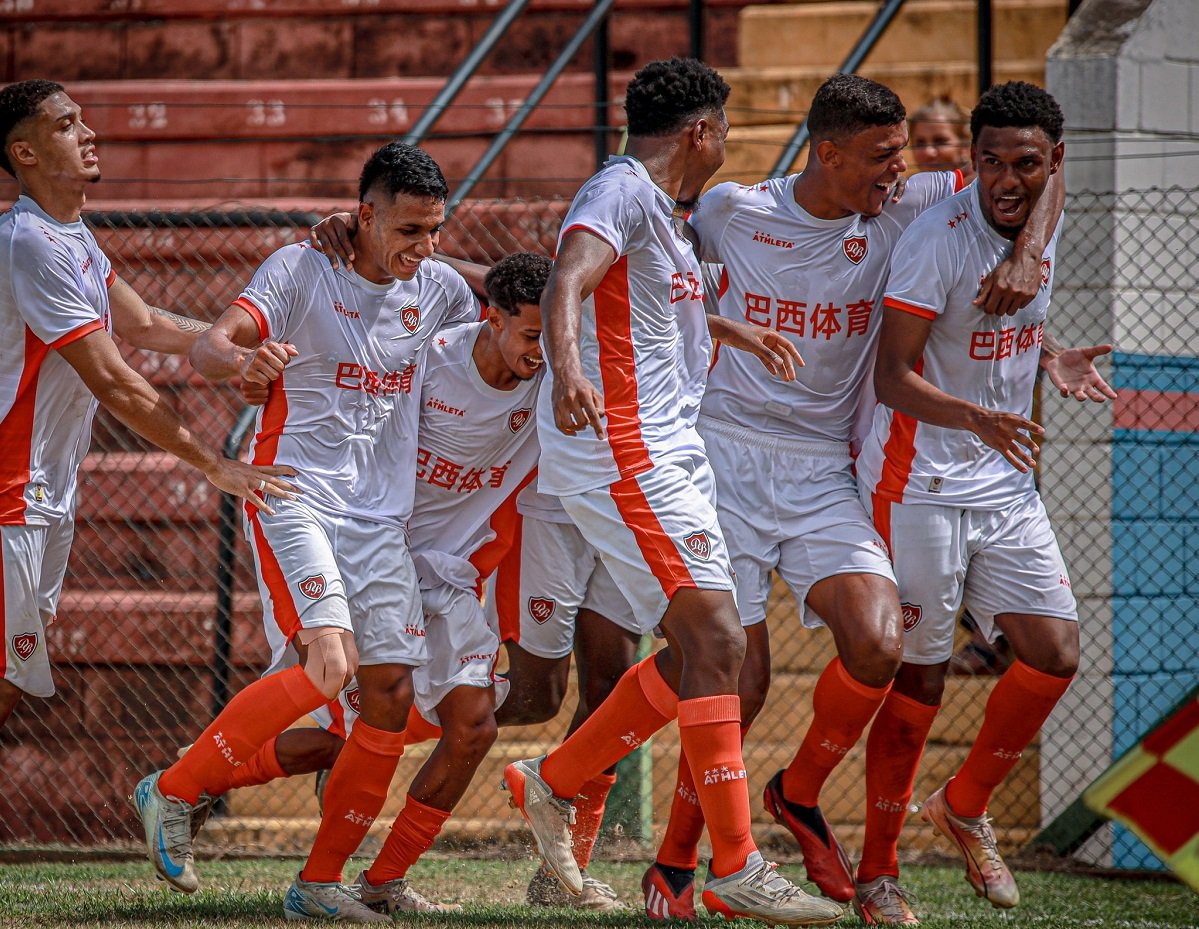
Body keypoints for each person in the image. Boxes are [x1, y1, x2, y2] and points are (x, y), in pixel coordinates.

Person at [644, 73, 1063, 926]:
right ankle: (674, 862)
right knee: (740, 676)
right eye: (880, 156)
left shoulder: (910, 206)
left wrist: (1026, 262)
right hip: (721, 454)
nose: (898, 170)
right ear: (825, 153)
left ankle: (794, 799)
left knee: (878, 644)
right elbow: (661, 295)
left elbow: (1043, 172)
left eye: (903, 154)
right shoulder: (731, 212)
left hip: (823, 466)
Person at [501, 57, 842, 926]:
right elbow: (568, 279)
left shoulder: (663, 212)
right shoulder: (617, 189)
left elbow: (648, 307)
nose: (728, 141)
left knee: (701, 648)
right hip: (624, 449)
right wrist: (571, 373)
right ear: (700, 131)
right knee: (718, 638)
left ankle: (558, 779)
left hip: (663, 452)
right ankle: (733, 863)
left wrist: (727, 327)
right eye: (724, 126)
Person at [132, 141, 479, 922]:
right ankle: (175, 789)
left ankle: (318, 885)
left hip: (381, 519)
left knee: (386, 698)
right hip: (293, 494)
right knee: (329, 665)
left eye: (436, 231)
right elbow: (214, 343)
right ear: (365, 216)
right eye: (410, 230)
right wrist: (245, 365)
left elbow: (500, 305)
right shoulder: (300, 269)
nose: (424, 248)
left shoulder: (441, 288)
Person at [857, 80, 1114, 916]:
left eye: (1026, 165)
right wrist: (979, 414)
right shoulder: (936, 240)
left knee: (1055, 651)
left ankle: (963, 806)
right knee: (919, 680)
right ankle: (879, 869)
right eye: (989, 162)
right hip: (918, 478)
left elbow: (1004, 310)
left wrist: (1045, 355)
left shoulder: (1042, 217)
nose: (1006, 180)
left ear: (1053, 165)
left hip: (1000, 477)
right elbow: (891, 377)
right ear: (968, 161)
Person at [0, 79, 296, 732]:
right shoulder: (31, 244)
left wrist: (245, 348)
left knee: (13, 672)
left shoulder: (71, 236)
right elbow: (117, 381)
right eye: (67, 124)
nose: (89, 133)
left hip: (45, 489)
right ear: (24, 152)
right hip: (11, 493)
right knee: (7, 674)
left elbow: (144, 324)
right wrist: (211, 462)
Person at [908, 97, 975, 183]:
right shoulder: (904, 191)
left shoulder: (981, 191)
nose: (928, 152)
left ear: (964, 145)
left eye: (940, 141)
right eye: (920, 143)